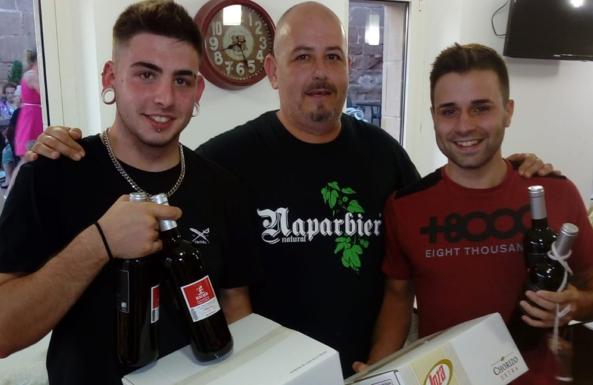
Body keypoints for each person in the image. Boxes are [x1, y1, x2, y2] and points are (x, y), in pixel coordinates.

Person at [29, 2, 554, 377]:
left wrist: (501, 172)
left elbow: (433, 218)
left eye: (333, 56)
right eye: (302, 57)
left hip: (361, 369)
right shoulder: (222, 160)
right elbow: (233, 297)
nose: (320, 72)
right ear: (273, 71)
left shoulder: (383, 152)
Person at [0, 1, 258, 384]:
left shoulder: (222, 186)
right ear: (110, 76)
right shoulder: (51, 174)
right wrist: (99, 242)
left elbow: (236, 304)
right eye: (145, 75)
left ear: (198, 88)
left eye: (182, 80)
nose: (165, 98)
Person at [363, 43, 593, 384]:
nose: (464, 125)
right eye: (449, 111)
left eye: (480, 108)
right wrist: (376, 372)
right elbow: (398, 299)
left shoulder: (556, 194)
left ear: (508, 111)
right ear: (434, 116)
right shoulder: (405, 206)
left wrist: (576, 304)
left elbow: (590, 283)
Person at [14, 50, 43, 157]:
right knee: (30, 155)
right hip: (33, 115)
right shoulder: (32, 75)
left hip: (30, 114)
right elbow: (45, 94)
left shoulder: (29, 74)